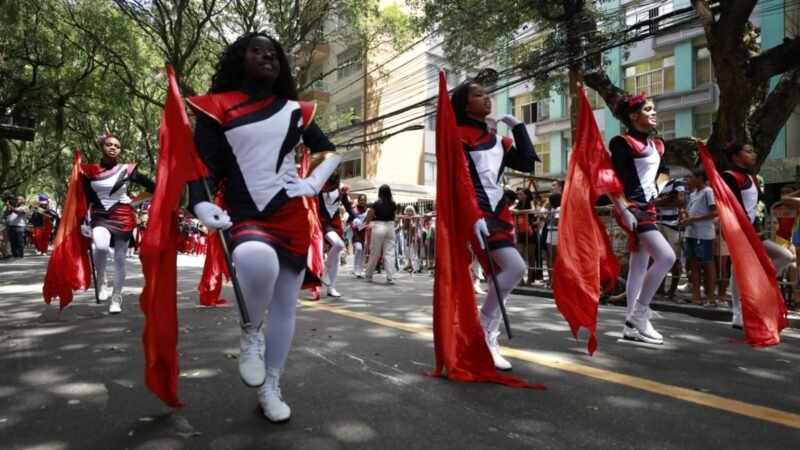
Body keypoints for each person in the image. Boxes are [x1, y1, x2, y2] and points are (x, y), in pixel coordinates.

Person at [186, 32, 341, 423]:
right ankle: (250, 332)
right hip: (244, 212)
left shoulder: (297, 109)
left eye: (274, 54)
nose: (268, 57)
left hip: (289, 213)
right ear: (240, 58)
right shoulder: (214, 107)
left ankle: (271, 385)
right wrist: (200, 202)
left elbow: (328, 152)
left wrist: (312, 183)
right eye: (257, 51)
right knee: (257, 262)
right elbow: (202, 165)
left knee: (287, 305)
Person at [450, 78, 538, 370]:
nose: (487, 99)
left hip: (501, 212)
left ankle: (487, 337)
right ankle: (482, 330)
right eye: (478, 95)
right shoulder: (458, 135)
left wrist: (519, 127)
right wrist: (472, 214)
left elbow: (527, 163)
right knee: (516, 269)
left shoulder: (499, 140)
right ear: (465, 104)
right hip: (477, 212)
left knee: (497, 278)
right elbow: (460, 178)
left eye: (488, 95)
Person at [609, 93, 675, 345]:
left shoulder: (657, 144)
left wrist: (658, 187)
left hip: (648, 208)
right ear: (634, 116)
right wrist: (624, 210)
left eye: (653, 109)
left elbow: (665, 172)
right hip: (632, 208)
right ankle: (639, 314)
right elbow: (612, 182)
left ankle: (631, 325)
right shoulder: (622, 143)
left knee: (639, 264)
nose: (654, 113)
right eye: (649, 109)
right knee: (667, 257)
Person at [79, 135, 155, 313]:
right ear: (101, 147)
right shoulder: (89, 171)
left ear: (120, 150)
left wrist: (134, 203)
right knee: (102, 247)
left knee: (120, 259)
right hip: (100, 215)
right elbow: (83, 199)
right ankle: (102, 279)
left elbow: (153, 186)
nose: (113, 148)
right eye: (109, 145)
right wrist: (83, 220)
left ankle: (116, 298)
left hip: (123, 216)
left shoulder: (126, 170)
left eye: (117, 146)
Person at [722, 142, 793, 329]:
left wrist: (769, 220)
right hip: (739, 231)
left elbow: (759, 206)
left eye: (754, 151)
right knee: (737, 270)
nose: (753, 154)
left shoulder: (753, 179)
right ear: (736, 157)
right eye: (748, 151)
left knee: (785, 256)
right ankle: (737, 312)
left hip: (755, 232)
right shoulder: (729, 177)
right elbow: (733, 206)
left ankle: (757, 289)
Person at [679, 168, 717, 306]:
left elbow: (715, 212)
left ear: (700, 178)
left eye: (691, 178)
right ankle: (696, 295)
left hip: (704, 234)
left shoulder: (708, 191)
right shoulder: (694, 194)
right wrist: (685, 219)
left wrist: (693, 219)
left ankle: (711, 296)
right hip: (691, 233)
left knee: (707, 263)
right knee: (693, 263)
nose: (689, 181)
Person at [318, 170, 354, 297]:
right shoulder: (318, 185)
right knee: (338, 245)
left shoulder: (341, 187)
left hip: (336, 222)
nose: (333, 170)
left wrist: (355, 217)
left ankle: (331, 287)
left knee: (336, 256)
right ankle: (323, 269)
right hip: (322, 222)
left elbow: (348, 206)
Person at [655, 176, 687, 300]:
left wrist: (660, 202)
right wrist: (665, 201)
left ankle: (672, 291)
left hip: (673, 225)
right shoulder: (655, 184)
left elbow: (680, 200)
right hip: (658, 223)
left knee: (675, 259)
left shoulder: (676, 182)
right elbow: (651, 202)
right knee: (659, 258)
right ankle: (660, 288)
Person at [363, 184, 397, 283]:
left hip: (379, 226)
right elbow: (393, 217)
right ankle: (390, 277)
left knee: (375, 252)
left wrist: (366, 223)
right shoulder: (393, 204)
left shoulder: (376, 203)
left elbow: (369, 217)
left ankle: (369, 275)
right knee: (389, 253)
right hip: (390, 227)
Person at [350, 193, 369, 277]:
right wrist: (352, 225)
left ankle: (360, 270)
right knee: (358, 248)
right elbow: (350, 220)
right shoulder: (354, 210)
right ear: (358, 200)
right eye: (361, 200)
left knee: (362, 251)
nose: (363, 201)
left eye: (364, 200)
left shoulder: (368, 211)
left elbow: (369, 221)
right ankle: (355, 268)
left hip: (364, 232)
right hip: (356, 232)